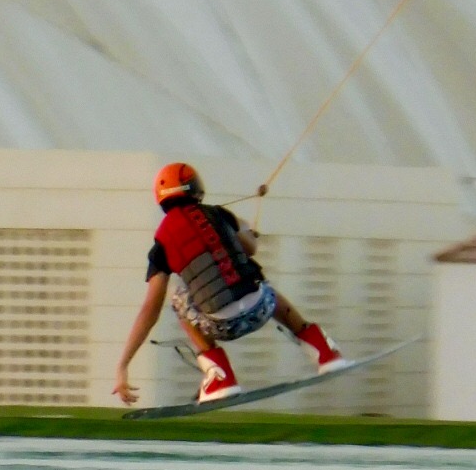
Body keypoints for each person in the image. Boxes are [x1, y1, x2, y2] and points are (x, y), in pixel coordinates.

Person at [112, 162, 343, 406]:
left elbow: (150, 309)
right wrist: (244, 228)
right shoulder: (218, 214)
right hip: (261, 308)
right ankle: (325, 351)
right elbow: (251, 247)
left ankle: (220, 376)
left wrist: (123, 364)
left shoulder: (161, 247)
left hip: (221, 325)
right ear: (196, 189)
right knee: (260, 283)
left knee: (178, 298)